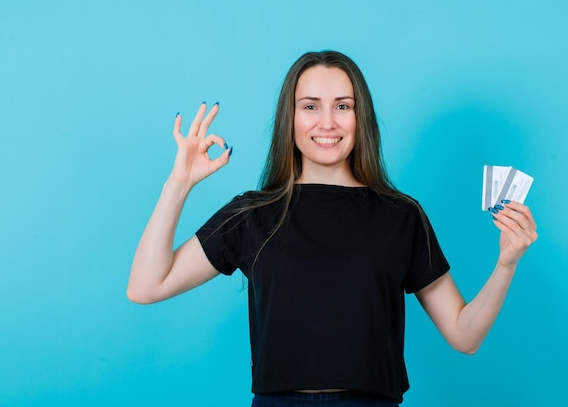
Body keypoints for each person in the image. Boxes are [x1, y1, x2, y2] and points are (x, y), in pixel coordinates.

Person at [127, 51, 538, 406]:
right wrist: (178, 184)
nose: (327, 122)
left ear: (362, 118)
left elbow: (464, 336)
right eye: (310, 106)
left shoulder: (402, 216)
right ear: (290, 119)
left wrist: (505, 264)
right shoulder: (251, 214)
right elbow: (146, 287)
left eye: (343, 106)